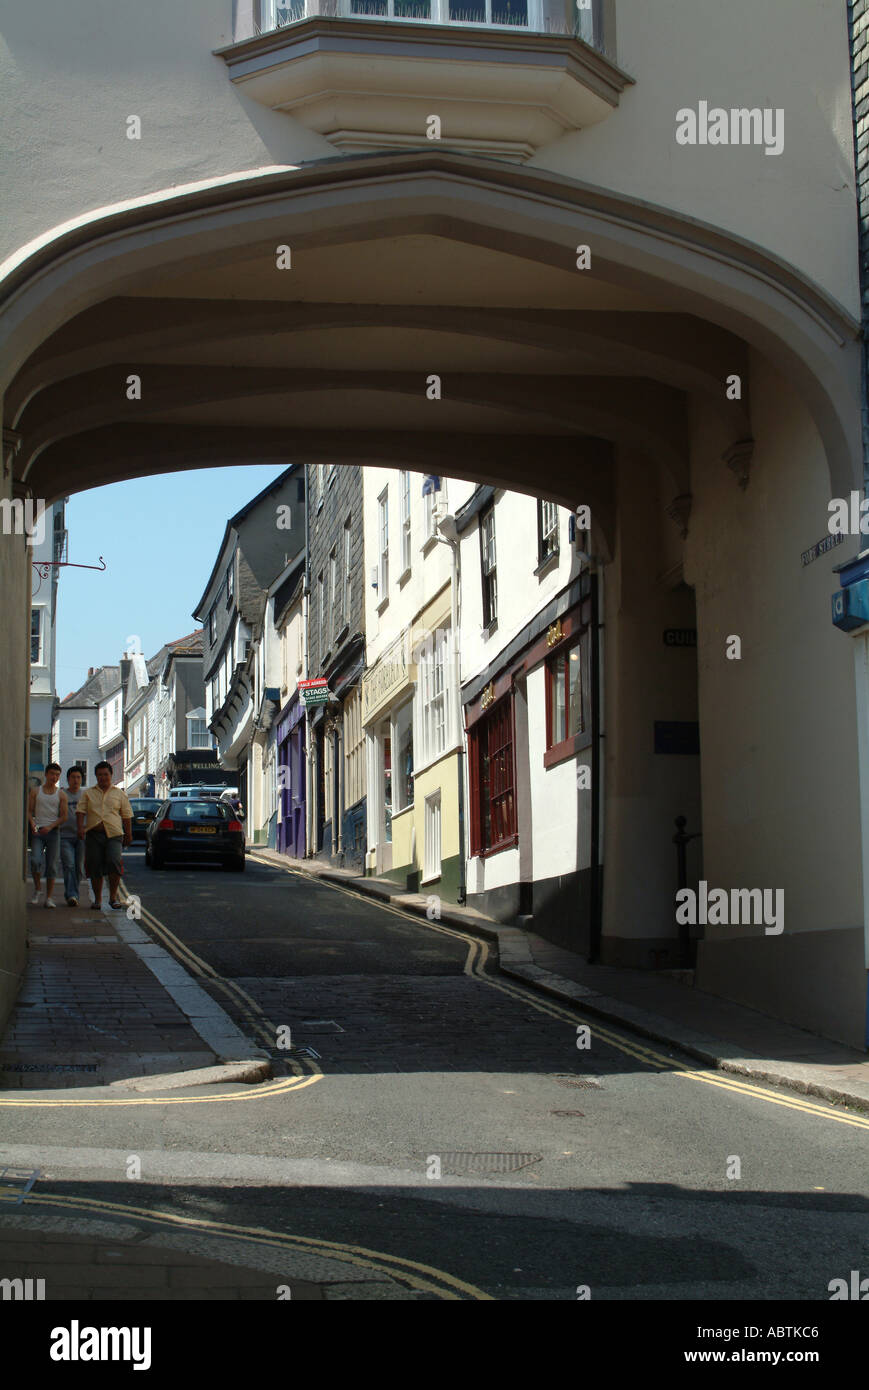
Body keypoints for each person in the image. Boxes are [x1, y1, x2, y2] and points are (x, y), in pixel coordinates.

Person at [77, 761, 133, 911]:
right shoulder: (88, 793)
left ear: (111, 775)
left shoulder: (120, 794)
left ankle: (113, 897)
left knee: (114, 863)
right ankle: (97, 899)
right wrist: (80, 828)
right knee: (94, 865)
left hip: (114, 835)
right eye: (100, 775)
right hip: (93, 834)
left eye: (105, 774)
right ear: (96, 776)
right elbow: (80, 811)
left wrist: (129, 834)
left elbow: (127, 816)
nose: (103, 777)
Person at [27, 762, 67, 909]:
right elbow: (29, 811)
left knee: (52, 866)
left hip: (53, 832)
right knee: (35, 861)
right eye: (52, 774)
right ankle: (38, 889)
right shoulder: (36, 791)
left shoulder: (61, 794)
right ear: (46, 774)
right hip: (38, 831)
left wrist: (50, 827)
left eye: (57, 775)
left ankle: (49, 898)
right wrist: (33, 824)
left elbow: (63, 817)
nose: (54, 777)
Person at [59, 766, 88, 906]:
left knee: (78, 867)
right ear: (68, 779)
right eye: (73, 777)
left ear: (82, 779)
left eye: (78, 777)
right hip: (64, 835)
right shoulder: (62, 794)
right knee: (69, 864)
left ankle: (73, 894)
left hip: (82, 836)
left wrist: (86, 828)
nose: (75, 780)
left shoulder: (85, 795)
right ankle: (72, 895)